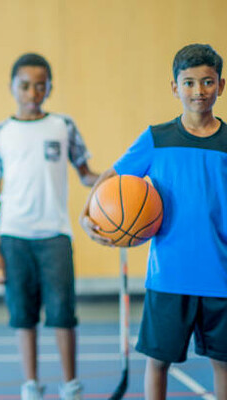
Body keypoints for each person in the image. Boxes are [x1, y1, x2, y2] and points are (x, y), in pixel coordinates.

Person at [81, 43, 227, 400]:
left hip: (222, 275)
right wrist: (88, 215)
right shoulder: (156, 139)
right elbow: (110, 179)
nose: (198, 91)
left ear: (221, 86)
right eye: (189, 83)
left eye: (207, 82)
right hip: (169, 275)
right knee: (158, 363)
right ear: (175, 88)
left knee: (223, 364)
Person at [0, 53, 99, 400]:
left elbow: (86, 174)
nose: (32, 92)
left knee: (63, 314)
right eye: (24, 85)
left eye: (40, 85)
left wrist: (117, 179)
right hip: (14, 237)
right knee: (23, 317)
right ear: (11, 87)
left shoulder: (63, 126)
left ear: (49, 87)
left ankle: (70, 385)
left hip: (55, 236)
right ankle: (31, 385)